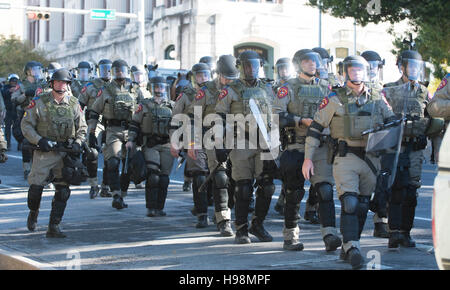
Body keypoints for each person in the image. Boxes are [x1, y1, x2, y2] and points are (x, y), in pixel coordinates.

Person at [302, 55, 396, 269]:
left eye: (359, 70)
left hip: (371, 158)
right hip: (345, 157)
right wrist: (308, 158)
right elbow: (315, 128)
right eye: (352, 71)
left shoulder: (377, 97)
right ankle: (353, 248)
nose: (356, 74)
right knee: (350, 202)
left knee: (362, 205)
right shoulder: (335, 98)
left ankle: (348, 244)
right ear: (345, 73)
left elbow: (390, 121)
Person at [273, 49, 340, 251]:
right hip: (296, 144)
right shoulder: (288, 88)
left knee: (325, 190)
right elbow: (276, 115)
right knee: (293, 192)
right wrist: (300, 120)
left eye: (314, 62)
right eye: (307, 62)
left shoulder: (326, 88)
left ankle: (330, 235)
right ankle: (290, 235)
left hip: (320, 145)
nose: (312, 65)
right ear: (298, 64)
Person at [215, 50, 277, 244]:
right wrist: (219, 143)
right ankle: (241, 229)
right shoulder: (230, 90)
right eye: (248, 65)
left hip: (265, 143)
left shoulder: (268, 88)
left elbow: (274, 117)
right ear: (240, 67)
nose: (252, 69)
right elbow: (218, 117)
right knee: (243, 187)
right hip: (240, 142)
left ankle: (258, 225)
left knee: (267, 186)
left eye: (255, 65)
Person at [21, 68, 87, 238]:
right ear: (51, 84)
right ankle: (33, 212)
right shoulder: (40, 102)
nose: (61, 85)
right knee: (36, 188)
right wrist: (39, 140)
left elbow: (82, 128)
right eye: (58, 82)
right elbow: (26, 124)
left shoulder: (74, 103)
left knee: (63, 190)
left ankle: (54, 226)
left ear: (68, 85)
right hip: (45, 151)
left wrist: (78, 143)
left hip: (65, 152)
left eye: (64, 82)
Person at [186, 55, 240, 235]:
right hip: (211, 137)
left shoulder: (241, 89)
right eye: (226, 78)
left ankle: (236, 215)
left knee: (237, 179)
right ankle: (223, 220)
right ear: (218, 74)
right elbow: (193, 118)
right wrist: (192, 142)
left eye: (233, 79)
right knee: (220, 177)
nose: (228, 82)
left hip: (237, 138)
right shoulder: (206, 90)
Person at [383, 50, 430, 249]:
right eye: (410, 66)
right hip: (395, 146)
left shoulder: (424, 92)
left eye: (416, 67)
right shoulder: (389, 90)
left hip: (415, 148)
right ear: (401, 67)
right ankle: (394, 232)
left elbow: (432, 115)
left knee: (411, 191)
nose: (413, 70)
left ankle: (406, 232)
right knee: (396, 190)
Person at [87, 59, 143, 210]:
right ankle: (116, 195)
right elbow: (94, 111)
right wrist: (92, 132)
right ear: (112, 72)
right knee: (113, 162)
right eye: (116, 70)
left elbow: (144, 111)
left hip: (131, 131)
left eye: (122, 70)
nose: (119, 73)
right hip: (113, 130)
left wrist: (143, 132)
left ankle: (122, 194)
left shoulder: (135, 89)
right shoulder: (106, 90)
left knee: (128, 166)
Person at [127, 76, 175, 217]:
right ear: (151, 88)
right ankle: (151, 207)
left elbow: (179, 127)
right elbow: (135, 124)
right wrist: (131, 140)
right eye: (156, 87)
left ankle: (160, 207)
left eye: (161, 87)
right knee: (153, 176)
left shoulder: (172, 106)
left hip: (167, 144)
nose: (159, 89)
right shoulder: (144, 105)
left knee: (164, 178)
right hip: (150, 144)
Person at [172, 63, 212, 228]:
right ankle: (202, 214)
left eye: (206, 74)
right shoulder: (186, 95)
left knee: (215, 177)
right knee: (199, 176)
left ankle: (207, 207)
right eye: (200, 75)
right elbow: (175, 119)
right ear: (194, 77)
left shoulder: (216, 92)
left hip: (213, 138)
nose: (203, 78)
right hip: (193, 139)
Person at [79, 59, 112, 198]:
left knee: (111, 156)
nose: (106, 72)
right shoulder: (90, 86)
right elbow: (79, 106)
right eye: (103, 69)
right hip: (94, 121)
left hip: (111, 123)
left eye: (109, 69)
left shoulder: (118, 87)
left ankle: (106, 185)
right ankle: (93, 184)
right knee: (92, 152)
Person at [11, 61, 47, 180]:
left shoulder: (43, 84)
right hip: (26, 115)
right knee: (26, 143)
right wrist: (25, 94)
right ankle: (27, 168)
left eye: (38, 69)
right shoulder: (21, 85)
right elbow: (14, 99)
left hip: (41, 116)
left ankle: (40, 168)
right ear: (28, 72)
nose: (37, 72)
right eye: (34, 69)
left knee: (42, 142)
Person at [1, 74, 20, 150]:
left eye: (15, 81)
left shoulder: (19, 87)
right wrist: (9, 91)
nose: (13, 82)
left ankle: (20, 144)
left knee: (18, 129)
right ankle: (8, 144)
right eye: (12, 81)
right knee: (7, 128)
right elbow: (2, 94)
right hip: (8, 111)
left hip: (17, 111)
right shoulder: (5, 87)